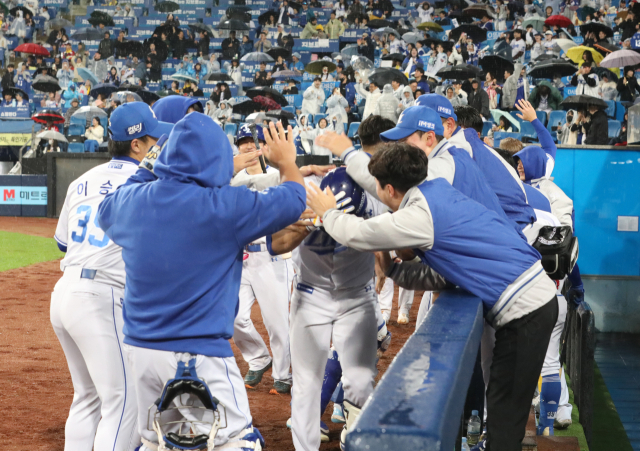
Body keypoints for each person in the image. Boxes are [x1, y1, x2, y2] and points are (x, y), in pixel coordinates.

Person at [306, 139, 557, 451]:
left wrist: (328, 213)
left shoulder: (419, 214)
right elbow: (445, 272)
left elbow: (358, 234)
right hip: (530, 299)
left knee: (505, 422)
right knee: (504, 416)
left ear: (389, 190)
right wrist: (396, 271)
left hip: (525, 310)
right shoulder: (436, 188)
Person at [96, 113, 306, 451]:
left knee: (156, 443)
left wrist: (150, 164)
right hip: (201, 354)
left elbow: (108, 206)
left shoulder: (130, 202)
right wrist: (287, 163)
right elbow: (295, 199)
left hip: (141, 352)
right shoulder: (225, 206)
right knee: (240, 442)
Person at [50, 103, 171, 451]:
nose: (158, 146)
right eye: (153, 139)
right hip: (101, 298)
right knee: (123, 401)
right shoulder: (146, 185)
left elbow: (63, 243)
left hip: (65, 293)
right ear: (136, 144)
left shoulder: (81, 180)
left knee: (87, 396)